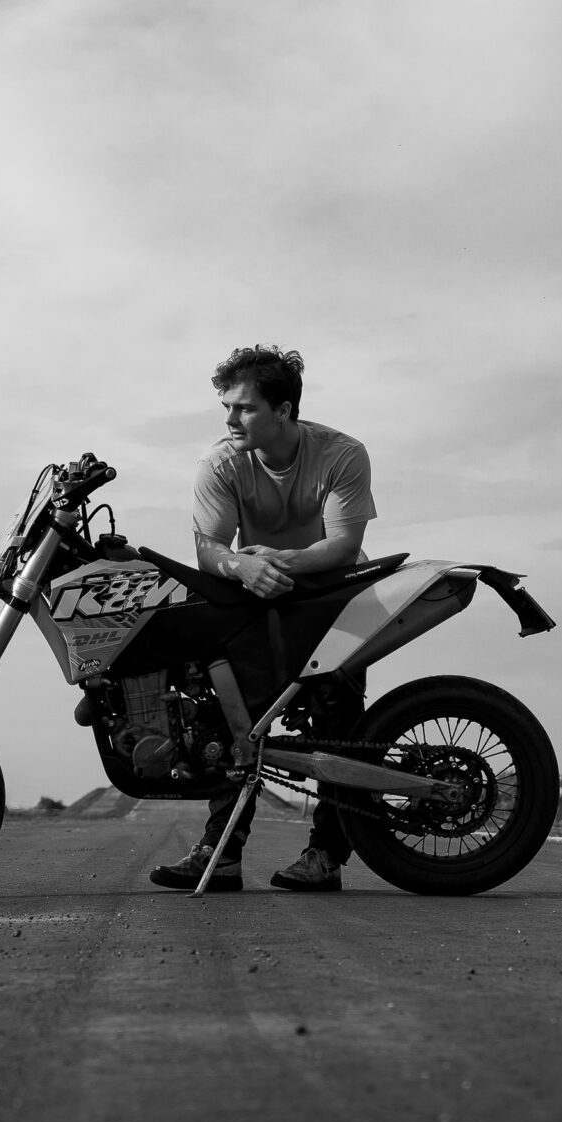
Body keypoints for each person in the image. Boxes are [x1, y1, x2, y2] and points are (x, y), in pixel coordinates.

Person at [149, 345, 375, 894]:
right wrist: (241, 566)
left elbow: (344, 546)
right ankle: (222, 854)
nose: (230, 419)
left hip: (333, 594)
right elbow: (209, 548)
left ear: (284, 410)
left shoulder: (342, 454)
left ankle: (326, 856)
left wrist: (279, 562)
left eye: (244, 408)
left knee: (337, 720)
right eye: (226, 406)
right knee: (236, 717)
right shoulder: (220, 464)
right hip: (254, 592)